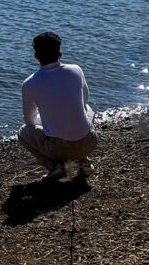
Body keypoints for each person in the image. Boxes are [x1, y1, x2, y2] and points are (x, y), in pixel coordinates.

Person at [18, 31, 97, 181]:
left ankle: (55, 167)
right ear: (60, 53)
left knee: (23, 132)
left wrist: (49, 118)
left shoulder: (30, 83)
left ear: (36, 55)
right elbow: (84, 100)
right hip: (89, 142)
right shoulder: (76, 70)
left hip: (58, 149)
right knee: (88, 110)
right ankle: (83, 161)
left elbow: (29, 122)